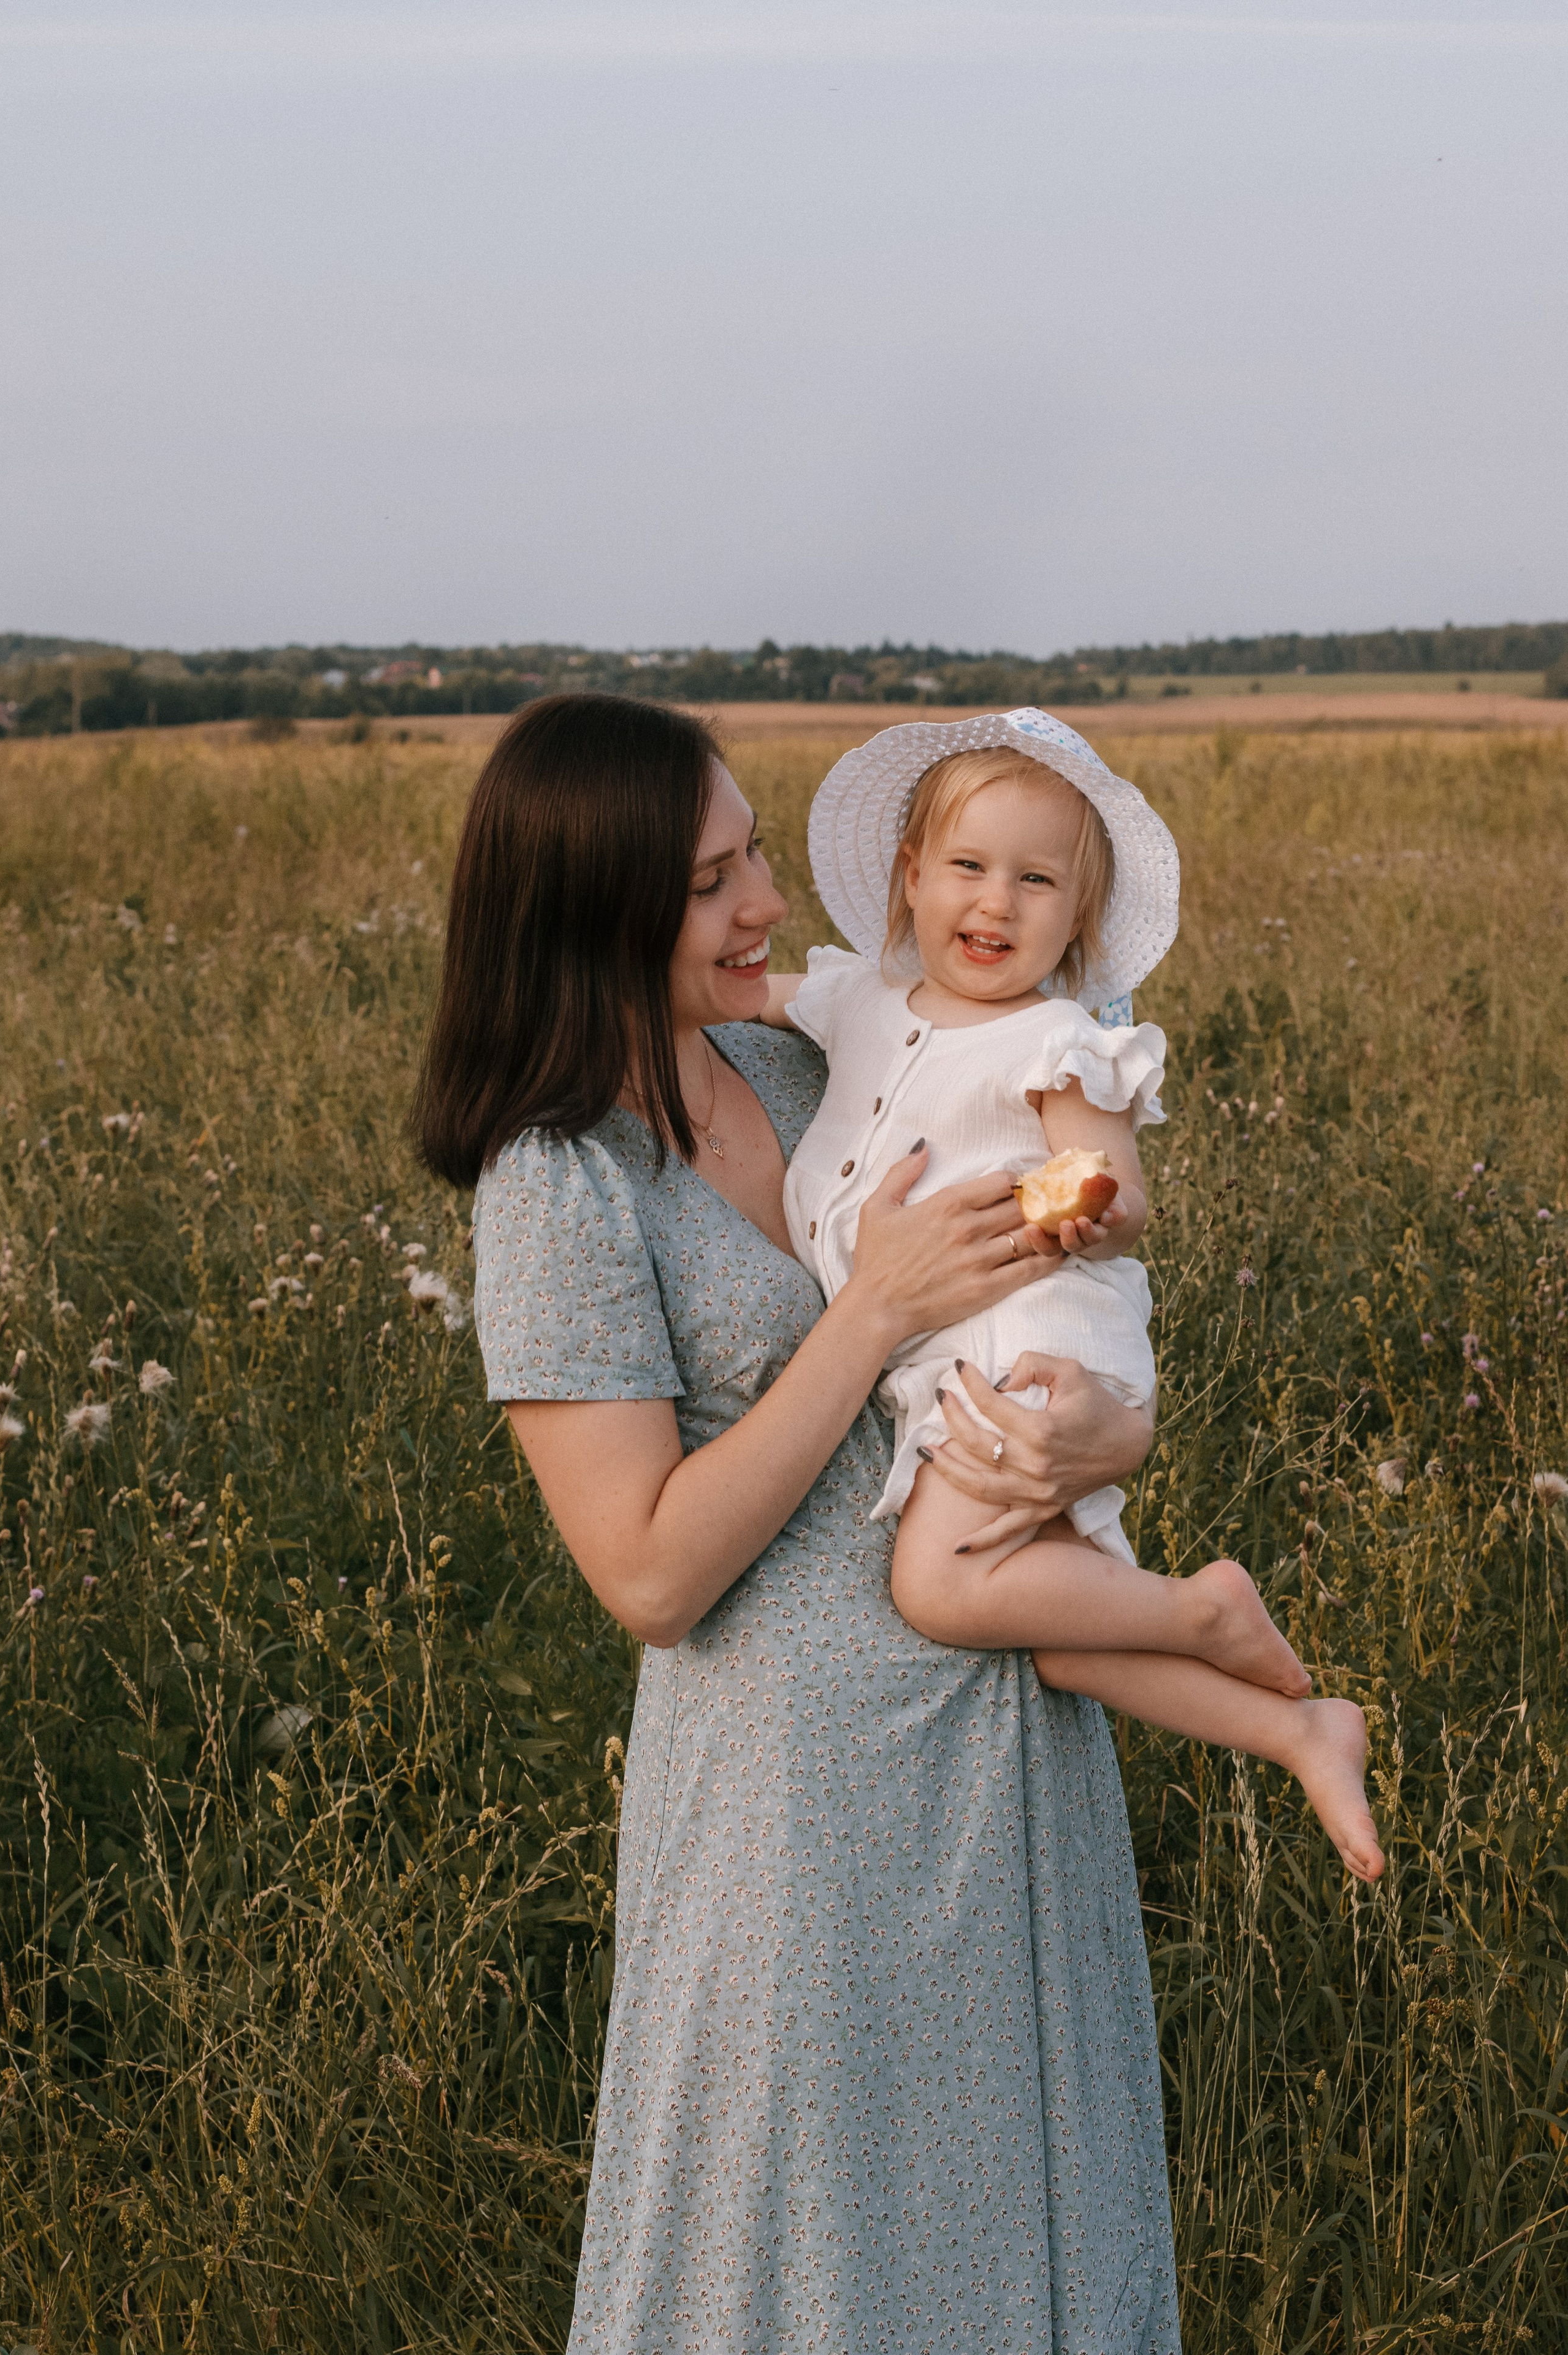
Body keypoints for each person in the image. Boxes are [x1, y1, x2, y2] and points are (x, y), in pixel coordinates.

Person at [414, 693, 1182, 2352]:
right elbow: (649, 1573)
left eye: (752, 852)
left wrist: (1113, 1428)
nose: (767, 901)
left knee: (1028, 2217)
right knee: (807, 2262)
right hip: (798, 1814)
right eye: (711, 882)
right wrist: (865, 1313)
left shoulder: (797, 1058)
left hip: (1006, 1723)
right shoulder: (559, 1183)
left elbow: (1059, 1282)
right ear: (594, 908)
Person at [761, 708, 1383, 1885]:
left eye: (1036, 881)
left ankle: (1201, 1612)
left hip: (1030, 1339)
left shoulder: (1057, 1041)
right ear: (910, 875)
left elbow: (1122, 1192)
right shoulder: (860, 999)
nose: (996, 903)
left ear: (1079, 916)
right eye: (968, 867)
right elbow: (730, 995)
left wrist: (1094, 1207)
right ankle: (1302, 1731)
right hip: (949, 1352)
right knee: (1059, 1640)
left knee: (941, 1585)